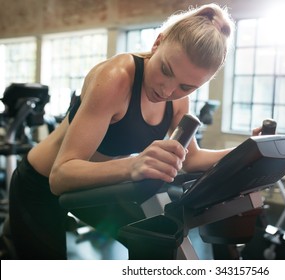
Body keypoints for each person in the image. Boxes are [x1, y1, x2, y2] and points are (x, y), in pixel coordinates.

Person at [0, 3, 262, 260]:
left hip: (92, 185)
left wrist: (251, 149)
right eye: (165, 70)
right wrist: (135, 165)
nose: (167, 91)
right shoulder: (116, 78)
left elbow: (191, 159)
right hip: (39, 184)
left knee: (159, 240)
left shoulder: (178, 100)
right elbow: (60, 175)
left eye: (186, 86)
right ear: (158, 42)